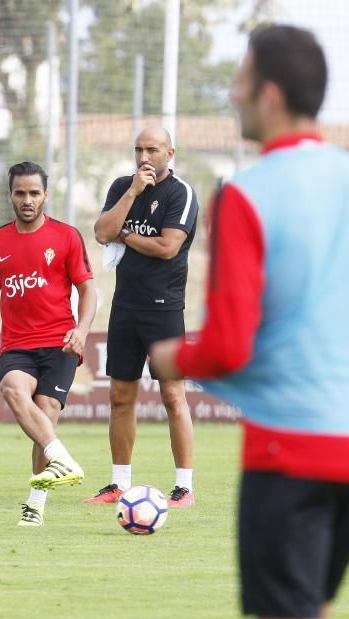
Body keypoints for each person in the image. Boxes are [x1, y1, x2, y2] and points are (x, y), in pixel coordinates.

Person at [150, 24, 349, 619]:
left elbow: (227, 345)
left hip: (293, 449)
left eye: (238, 82)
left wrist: (171, 355)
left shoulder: (248, 194)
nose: (231, 97)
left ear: (269, 93)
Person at [0, 161, 97, 527]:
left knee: (46, 413)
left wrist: (83, 330)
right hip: (17, 345)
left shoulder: (67, 237)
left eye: (34, 193)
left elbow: (88, 290)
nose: (27, 200)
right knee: (12, 388)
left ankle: (35, 503)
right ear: (10, 195)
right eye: (20, 193)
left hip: (60, 343)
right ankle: (63, 457)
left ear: (46, 195)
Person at [84, 126, 199, 508]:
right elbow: (102, 232)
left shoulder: (180, 193)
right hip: (126, 307)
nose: (144, 156)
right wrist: (133, 192)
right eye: (138, 149)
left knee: (172, 395)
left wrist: (125, 236)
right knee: (120, 396)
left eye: (152, 149)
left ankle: (184, 487)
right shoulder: (122, 187)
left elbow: (167, 247)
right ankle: (119, 483)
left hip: (164, 308)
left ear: (170, 153)